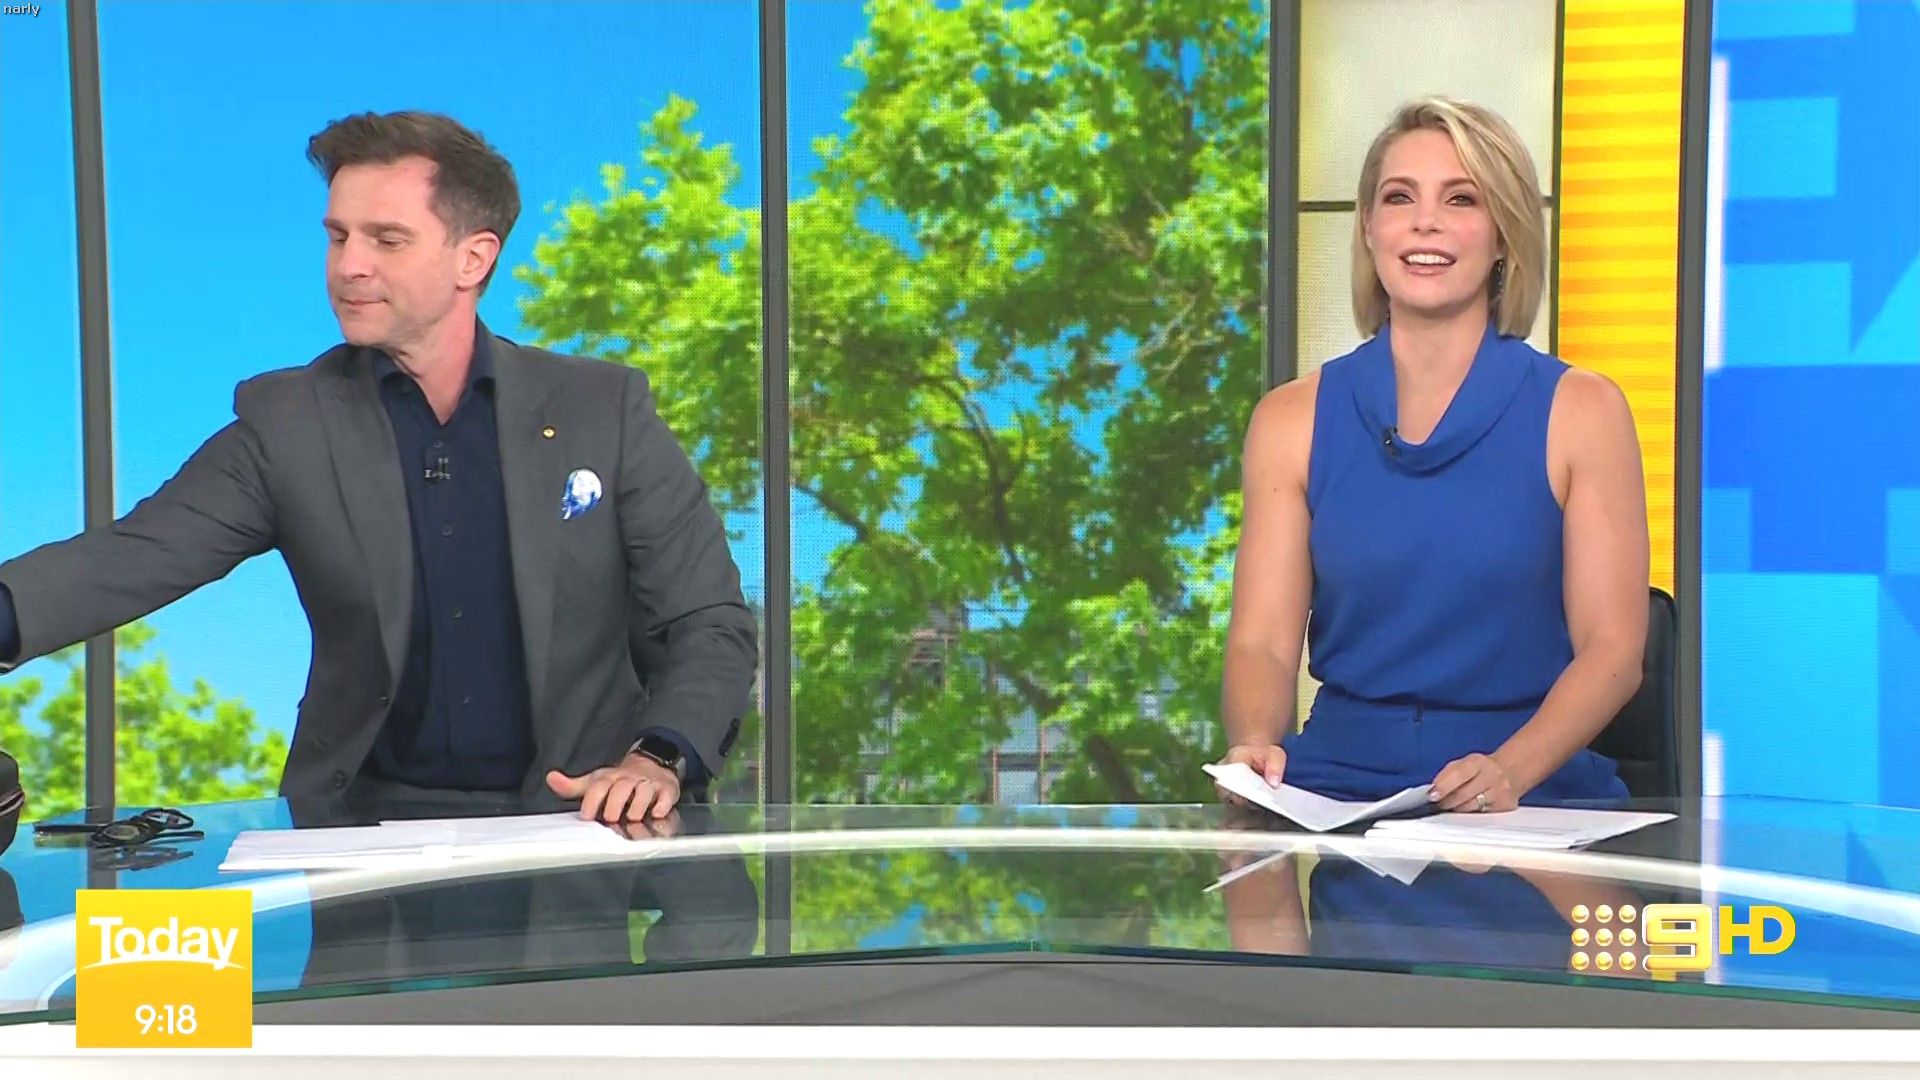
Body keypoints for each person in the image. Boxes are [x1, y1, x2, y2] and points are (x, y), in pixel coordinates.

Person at [0, 111, 757, 822]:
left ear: (474, 258)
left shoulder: (603, 410)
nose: (349, 266)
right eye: (338, 237)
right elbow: (131, 559)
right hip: (362, 832)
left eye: (386, 240)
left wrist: (659, 757)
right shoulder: (290, 423)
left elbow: (708, 622)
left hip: (573, 824)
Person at [1218, 97, 1649, 813]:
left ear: (1504, 232)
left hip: (1527, 794)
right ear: (1368, 227)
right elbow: (1262, 641)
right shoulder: (1289, 420)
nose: (1426, 222)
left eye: (1461, 199)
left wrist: (1509, 770)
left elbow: (1614, 650)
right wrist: (1256, 745)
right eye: (1399, 197)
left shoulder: (1585, 412)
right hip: (1338, 791)